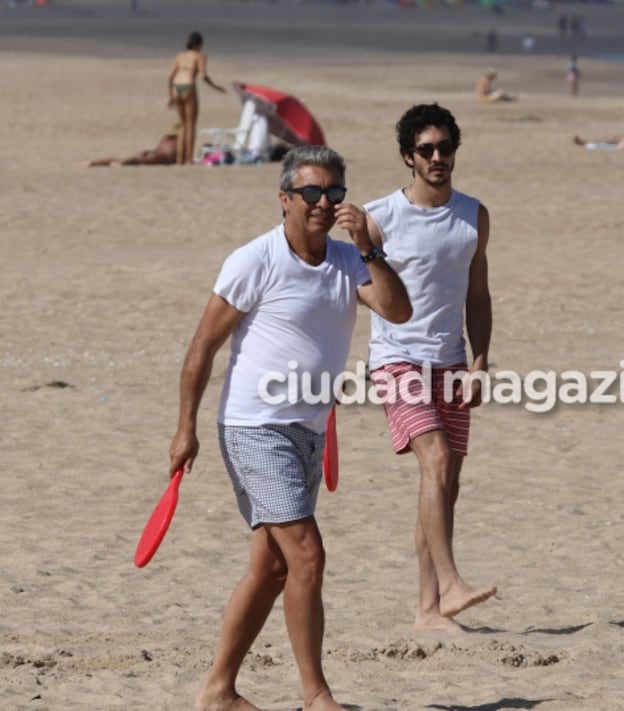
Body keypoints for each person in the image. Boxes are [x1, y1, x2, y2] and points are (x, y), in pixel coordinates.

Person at [169, 145, 411, 711]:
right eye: (311, 193)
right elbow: (202, 346)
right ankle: (316, 695)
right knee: (306, 556)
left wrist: (370, 247)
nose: (323, 203)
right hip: (255, 427)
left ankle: (218, 690)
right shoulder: (254, 260)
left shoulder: (350, 262)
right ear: (285, 199)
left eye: (333, 193)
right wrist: (186, 428)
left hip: (308, 429)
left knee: (272, 565)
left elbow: (399, 310)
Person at [363, 103, 497, 633]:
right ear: (408, 158)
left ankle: (427, 610)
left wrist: (480, 361)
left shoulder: (473, 215)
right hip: (396, 359)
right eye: (426, 150)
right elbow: (347, 286)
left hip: (451, 360)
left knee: (443, 486)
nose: (438, 157)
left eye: (445, 147)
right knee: (435, 462)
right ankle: (451, 583)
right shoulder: (380, 218)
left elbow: (479, 295)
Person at [168, 31, 226, 165]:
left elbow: (170, 77)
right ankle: (188, 159)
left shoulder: (180, 56)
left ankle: (179, 160)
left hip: (176, 87)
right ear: (200, 44)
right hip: (188, 86)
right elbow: (203, 76)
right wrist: (216, 87)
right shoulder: (200, 56)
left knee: (182, 125)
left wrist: (171, 95)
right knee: (190, 125)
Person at [78, 126, 178, 167]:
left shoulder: (169, 137)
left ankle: (94, 162)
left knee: (135, 158)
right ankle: (95, 163)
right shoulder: (180, 136)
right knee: (135, 160)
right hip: (163, 155)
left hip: (159, 151)